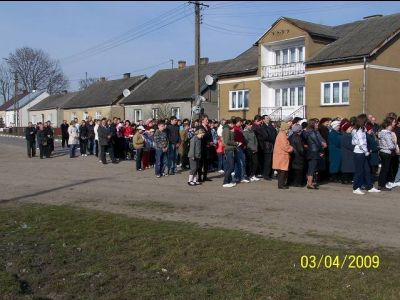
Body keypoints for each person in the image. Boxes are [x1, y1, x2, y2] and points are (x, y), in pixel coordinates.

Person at [351, 114, 380, 194]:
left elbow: (354, 141)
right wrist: (366, 152)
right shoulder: (358, 130)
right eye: (366, 121)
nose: (367, 122)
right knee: (359, 171)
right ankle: (355, 188)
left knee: (367, 170)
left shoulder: (362, 129)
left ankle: (369, 186)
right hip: (359, 153)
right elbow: (361, 143)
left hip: (362, 153)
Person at [304, 118, 324, 189]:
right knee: (312, 168)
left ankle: (309, 182)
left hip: (310, 151)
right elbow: (317, 143)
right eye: (315, 123)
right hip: (314, 151)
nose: (317, 124)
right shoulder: (312, 132)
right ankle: (309, 183)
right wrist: (321, 150)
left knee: (311, 167)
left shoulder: (307, 132)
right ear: (312, 124)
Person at [272, 122, 293, 189]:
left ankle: (281, 184)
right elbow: (285, 146)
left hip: (280, 155)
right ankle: (281, 185)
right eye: (288, 128)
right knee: (282, 171)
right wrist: (291, 148)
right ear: (285, 128)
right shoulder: (282, 135)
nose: (288, 130)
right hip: (282, 155)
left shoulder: (281, 134)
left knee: (282, 171)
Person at [377, 118, 396, 190]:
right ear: (390, 123)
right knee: (385, 170)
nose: (395, 123)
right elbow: (390, 146)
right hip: (386, 152)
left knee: (383, 169)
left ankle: (381, 184)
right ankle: (382, 185)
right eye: (394, 122)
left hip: (383, 152)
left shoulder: (382, 132)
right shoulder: (387, 133)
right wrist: (394, 143)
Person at [233, 117, 249, 183]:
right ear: (237, 122)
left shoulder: (240, 128)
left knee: (241, 162)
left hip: (241, 147)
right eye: (240, 122)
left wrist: (244, 144)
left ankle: (239, 176)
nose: (241, 123)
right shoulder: (234, 129)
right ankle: (240, 177)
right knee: (240, 162)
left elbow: (242, 137)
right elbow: (235, 138)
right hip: (237, 147)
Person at [222, 119, 237, 188]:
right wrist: (236, 143)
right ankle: (225, 182)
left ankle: (228, 181)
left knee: (229, 166)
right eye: (233, 124)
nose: (233, 125)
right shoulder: (227, 130)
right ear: (230, 123)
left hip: (229, 149)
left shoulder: (227, 129)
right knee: (231, 166)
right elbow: (227, 141)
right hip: (229, 149)